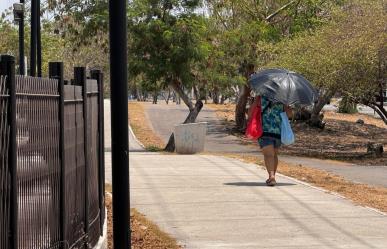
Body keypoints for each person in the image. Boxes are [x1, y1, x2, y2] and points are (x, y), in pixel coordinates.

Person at [247, 95, 292, 186]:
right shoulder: (282, 99)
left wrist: (253, 103)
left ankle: (272, 176)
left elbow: (250, 113)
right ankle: (272, 176)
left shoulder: (260, 98)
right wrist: (287, 106)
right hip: (273, 132)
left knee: (270, 155)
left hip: (269, 132)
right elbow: (290, 115)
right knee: (272, 155)